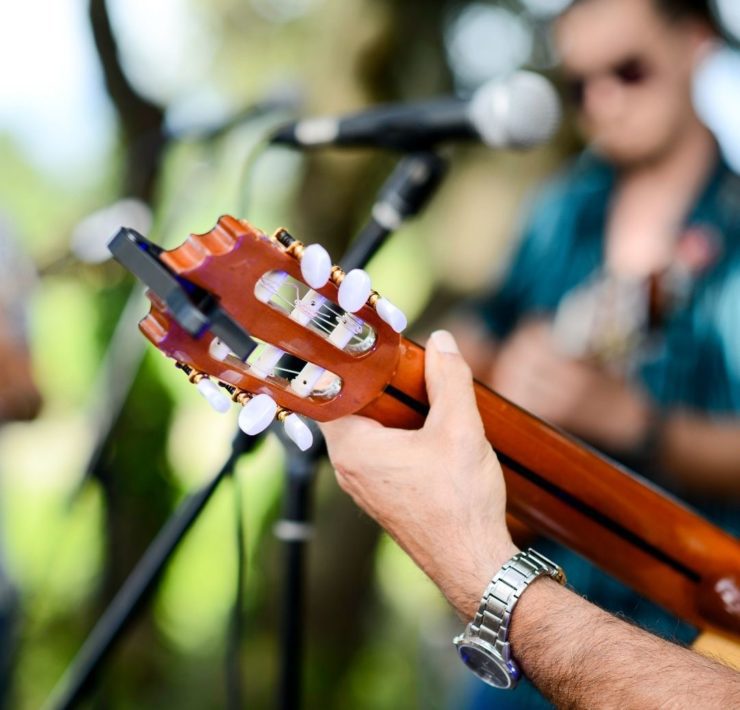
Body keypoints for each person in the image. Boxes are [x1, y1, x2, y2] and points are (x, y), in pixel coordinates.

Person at [319, 330, 740, 708]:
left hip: (693, 647)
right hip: (519, 661)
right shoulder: (558, 241)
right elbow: (474, 331)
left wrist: (640, 424)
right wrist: (499, 378)